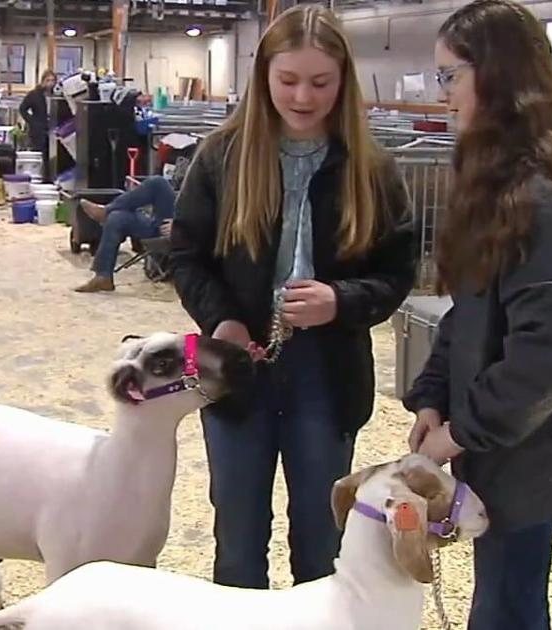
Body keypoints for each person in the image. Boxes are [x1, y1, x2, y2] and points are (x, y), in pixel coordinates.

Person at [405, 1, 552, 628]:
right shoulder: (501, 180)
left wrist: (458, 434)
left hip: (533, 443)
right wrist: (432, 395)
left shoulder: (539, 199)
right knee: (508, 590)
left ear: (498, 75)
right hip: (511, 435)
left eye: (450, 76)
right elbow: (475, 311)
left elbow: (550, 362)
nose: (445, 95)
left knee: (508, 603)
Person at [169, 4, 417, 590]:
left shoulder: (372, 168)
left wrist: (341, 300)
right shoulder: (220, 156)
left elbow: (396, 271)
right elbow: (185, 255)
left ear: (342, 82)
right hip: (234, 367)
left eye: (320, 82)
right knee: (237, 539)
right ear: (264, 78)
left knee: (320, 541)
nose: (303, 96)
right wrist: (222, 320)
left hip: (327, 375)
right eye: (288, 80)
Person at [72, 175, 176, 293]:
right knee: (116, 218)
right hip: (164, 223)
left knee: (158, 183)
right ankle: (103, 276)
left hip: (185, 229)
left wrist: (182, 224)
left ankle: (105, 210)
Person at [19, 70, 57, 153]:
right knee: (39, 152)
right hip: (38, 130)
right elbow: (22, 109)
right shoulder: (34, 94)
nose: (50, 83)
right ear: (43, 81)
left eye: (52, 80)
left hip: (53, 129)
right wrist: (32, 121)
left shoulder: (57, 95)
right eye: (48, 80)